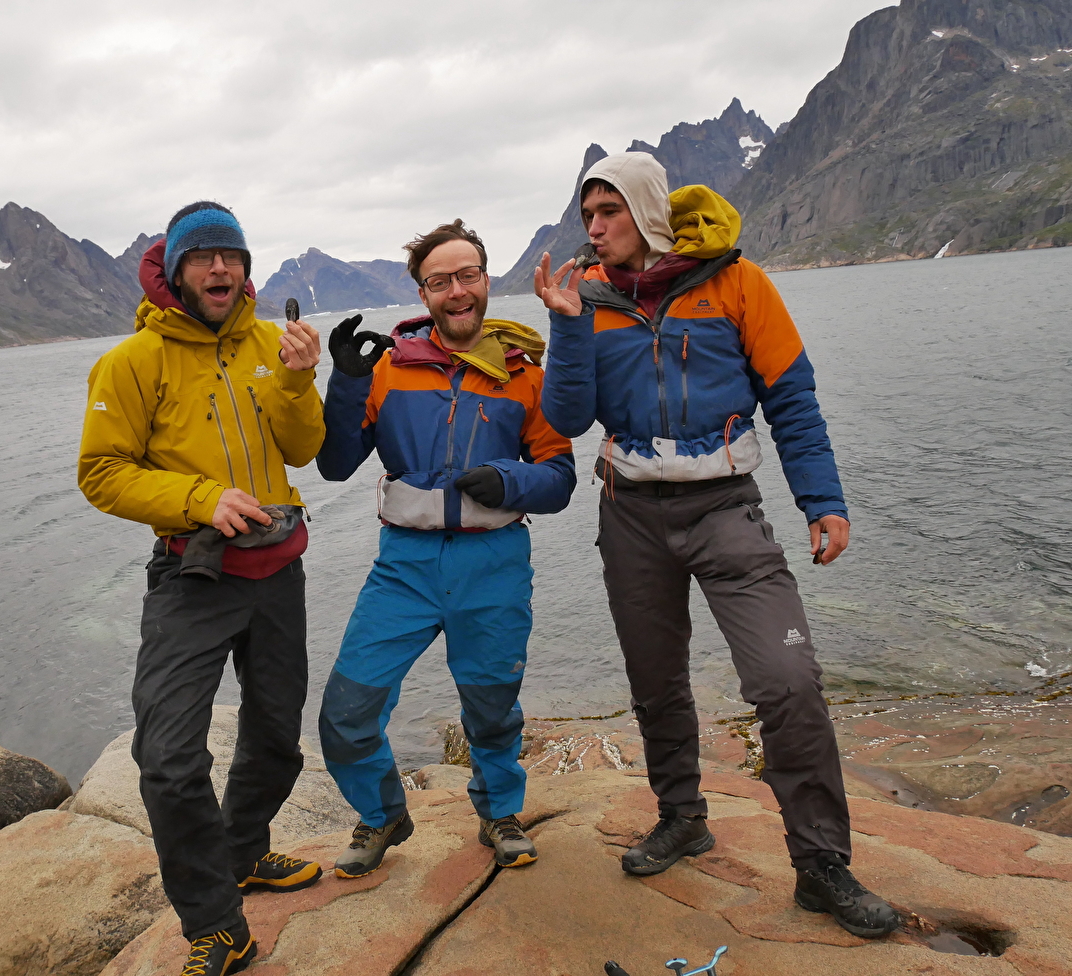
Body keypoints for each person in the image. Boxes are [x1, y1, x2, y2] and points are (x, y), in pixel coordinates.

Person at [534, 153, 899, 939]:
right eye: (586, 215)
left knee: (787, 676)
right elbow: (564, 419)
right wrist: (565, 327)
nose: (592, 229)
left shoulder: (739, 284)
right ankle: (682, 817)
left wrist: (823, 502)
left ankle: (821, 864)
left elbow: (792, 397)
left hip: (725, 507)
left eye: (608, 212)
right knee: (655, 679)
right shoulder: (587, 301)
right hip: (629, 513)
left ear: (646, 211)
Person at [78, 201, 326, 976]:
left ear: (248, 268)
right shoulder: (131, 363)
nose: (222, 269)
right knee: (168, 756)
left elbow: (305, 447)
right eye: (204, 258)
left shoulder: (269, 342)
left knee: (277, 737)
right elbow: (101, 472)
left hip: (278, 566)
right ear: (176, 270)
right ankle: (217, 925)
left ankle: (244, 851)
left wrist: (296, 380)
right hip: (194, 573)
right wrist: (199, 499)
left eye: (233, 256)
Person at [316, 219, 576, 878]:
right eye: (440, 281)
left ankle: (499, 813)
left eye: (467, 276)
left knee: (491, 709)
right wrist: (345, 382)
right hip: (403, 565)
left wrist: (509, 479)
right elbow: (336, 464)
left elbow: (560, 476)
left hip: (493, 564)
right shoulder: (389, 372)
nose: (457, 291)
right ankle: (382, 814)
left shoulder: (525, 375)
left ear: (486, 281)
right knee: (347, 710)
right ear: (424, 293)